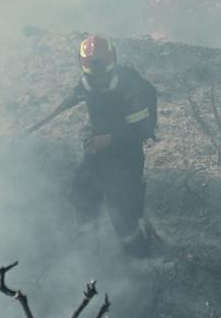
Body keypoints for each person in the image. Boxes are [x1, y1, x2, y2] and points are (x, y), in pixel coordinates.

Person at [60, 34, 158, 257]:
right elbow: (82, 89)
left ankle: (139, 258)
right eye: (90, 74)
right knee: (83, 197)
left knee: (123, 216)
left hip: (127, 158)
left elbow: (144, 131)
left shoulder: (135, 90)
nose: (96, 81)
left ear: (111, 64)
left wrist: (110, 139)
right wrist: (71, 99)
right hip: (97, 154)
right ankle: (88, 251)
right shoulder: (90, 81)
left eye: (101, 75)